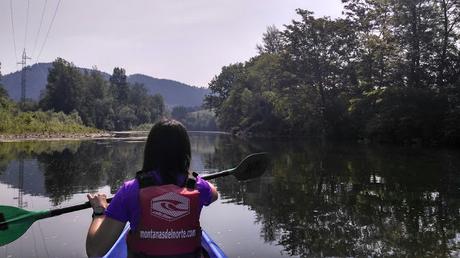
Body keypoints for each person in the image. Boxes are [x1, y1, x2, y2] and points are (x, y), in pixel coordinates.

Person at [86, 119, 219, 257]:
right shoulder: (198, 187)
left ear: (150, 150)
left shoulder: (130, 190)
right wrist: (197, 180)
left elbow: (94, 252)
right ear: (185, 151)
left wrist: (99, 212)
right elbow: (214, 194)